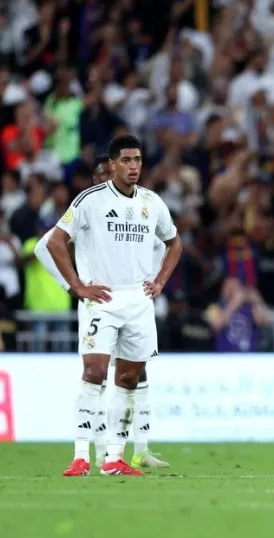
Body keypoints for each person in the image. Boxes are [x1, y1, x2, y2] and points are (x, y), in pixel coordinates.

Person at [47, 135, 182, 477]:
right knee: (94, 371)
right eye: (126, 160)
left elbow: (174, 242)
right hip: (103, 300)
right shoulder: (90, 200)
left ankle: (114, 458)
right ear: (112, 164)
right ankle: (80, 455)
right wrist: (77, 285)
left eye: (137, 160)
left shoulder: (152, 202)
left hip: (139, 301)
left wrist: (160, 281)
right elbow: (55, 241)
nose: (133, 166)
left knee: (129, 378)